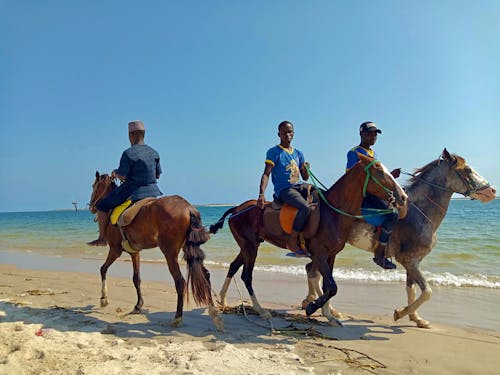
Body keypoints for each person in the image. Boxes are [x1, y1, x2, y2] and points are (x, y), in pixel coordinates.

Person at [87, 120, 163, 246]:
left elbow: (122, 175)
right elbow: (158, 175)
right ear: (144, 134)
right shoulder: (154, 153)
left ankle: (102, 238)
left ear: (131, 136)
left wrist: (115, 173)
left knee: (102, 206)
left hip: (133, 192)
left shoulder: (128, 153)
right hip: (153, 191)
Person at [346, 121, 401, 269]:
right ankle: (379, 254)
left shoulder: (373, 154)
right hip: (363, 195)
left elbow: (377, 178)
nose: (373, 136)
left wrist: (391, 177)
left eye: (375, 133)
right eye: (370, 133)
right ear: (361, 134)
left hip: (374, 192)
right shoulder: (354, 153)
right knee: (392, 214)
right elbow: (353, 178)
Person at [257, 121, 311, 257]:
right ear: (279, 134)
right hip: (285, 190)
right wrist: (261, 194)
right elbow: (266, 174)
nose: (288, 134)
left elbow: (304, 177)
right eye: (285, 132)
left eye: (290, 131)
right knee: (304, 207)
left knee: (323, 197)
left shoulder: (299, 153)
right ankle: (292, 241)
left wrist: (307, 169)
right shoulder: (274, 152)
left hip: (300, 186)